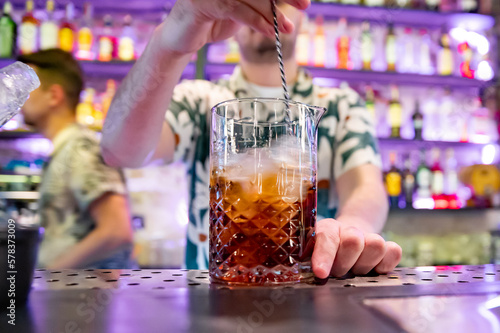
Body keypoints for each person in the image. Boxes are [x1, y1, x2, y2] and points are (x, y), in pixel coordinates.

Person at [101, 0, 402, 278]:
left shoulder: (340, 106)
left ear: (305, 13)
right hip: (211, 301)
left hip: (310, 294)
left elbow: (366, 188)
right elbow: (119, 150)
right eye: (251, 0)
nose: (267, 7)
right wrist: (169, 42)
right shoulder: (200, 101)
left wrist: (351, 229)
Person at [18, 49, 135, 269]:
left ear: (54, 95)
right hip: (71, 297)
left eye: (25, 89)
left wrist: (50, 274)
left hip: (82, 299)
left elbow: (117, 231)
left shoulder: (81, 149)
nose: (19, 98)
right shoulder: (67, 150)